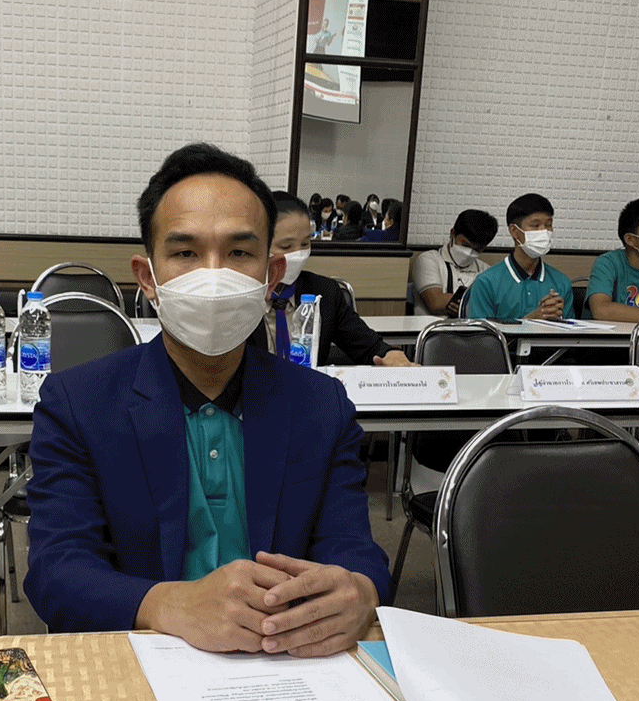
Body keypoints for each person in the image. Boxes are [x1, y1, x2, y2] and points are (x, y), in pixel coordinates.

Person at [24, 143, 390, 653]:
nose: (213, 274)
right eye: (185, 253)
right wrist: (166, 603)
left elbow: (354, 549)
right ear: (147, 278)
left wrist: (360, 592)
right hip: (143, 659)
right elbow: (56, 570)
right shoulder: (78, 404)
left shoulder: (321, 405)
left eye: (239, 253)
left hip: (288, 664)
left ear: (272, 276)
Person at [254, 191, 412, 367]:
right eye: (286, 246)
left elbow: (368, 346)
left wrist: (390, 355)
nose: (298, 254)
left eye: (305, 244)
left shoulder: (325, 292)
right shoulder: (241, 296)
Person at [465, 193, 573, 321]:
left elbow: (571, 330)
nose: (544, 231)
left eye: (548, 225)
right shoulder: (486, 283)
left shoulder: (561, 282)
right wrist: (529, 321)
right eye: (535, 225)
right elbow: (481, 332)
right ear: (514, 231)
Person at [412, 210, 498, 316]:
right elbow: (436, 303)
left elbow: (499, 305)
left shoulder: (487, 271)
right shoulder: (428, 259)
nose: (469, 252)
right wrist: (480, 302)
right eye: (465, 245)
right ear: (452, 233)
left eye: (477, 249)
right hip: (434, 326)